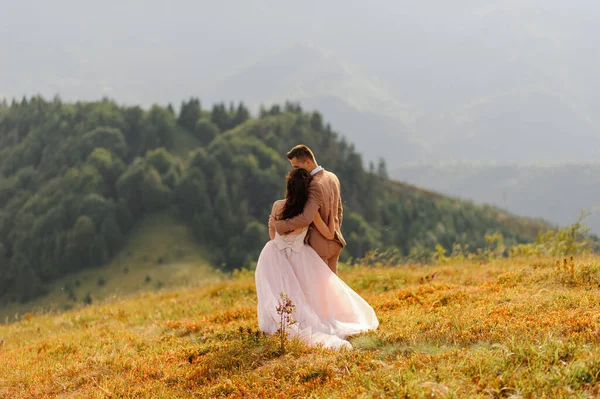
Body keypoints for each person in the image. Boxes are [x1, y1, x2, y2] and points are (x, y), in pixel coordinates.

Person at [255, 168, 378, 350]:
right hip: (300, 255)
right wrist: (332, 221)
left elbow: (273, 236)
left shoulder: (277, 206)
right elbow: (329, 233)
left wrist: (273, 226)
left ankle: (280, 322)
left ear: (289, 187)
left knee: (276, 293)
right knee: (305, 294)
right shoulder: (309, 212)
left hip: (275, 254)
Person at [270, 145, 345, 274]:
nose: (295, 171)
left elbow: (306, 218)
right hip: (335, 242)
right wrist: (334, 232)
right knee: (333, 289)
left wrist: (279, 225)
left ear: (308, 162)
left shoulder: (314, 184)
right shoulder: (332, 177)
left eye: (297, 167)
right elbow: (339, 211)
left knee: (319, 290)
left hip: (320, 246)